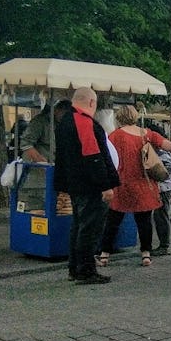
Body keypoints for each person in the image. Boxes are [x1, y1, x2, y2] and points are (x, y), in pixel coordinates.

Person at [54, 87, 120, 284]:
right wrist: (105, 185)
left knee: (78, 226)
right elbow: (93, 156)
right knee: (89, 228)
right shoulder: (83, 121)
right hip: (90, 185)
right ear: (91, 102)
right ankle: (86, 270)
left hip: (75, 184)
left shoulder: (65, 121)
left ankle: (75, 267)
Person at [96, 105, 171, 268]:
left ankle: (104, 255)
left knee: (112, 221)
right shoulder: (146, 133)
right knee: (144, 221)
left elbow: (106, 156)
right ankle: (146, 254)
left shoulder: (115, 136)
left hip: (121, 184)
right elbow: (169, 146)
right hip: (144, 184)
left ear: (119, 118)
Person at [152, 137, 171, 256]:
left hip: (164, 188)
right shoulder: (157, 152)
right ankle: (164, 244)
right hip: (163, 187)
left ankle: (165, 245)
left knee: (162, 216)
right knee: (160, 216)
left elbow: (170, 167)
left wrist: (159, 178)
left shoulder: (160, 153)